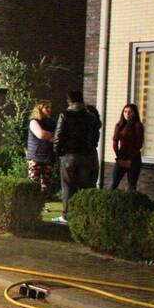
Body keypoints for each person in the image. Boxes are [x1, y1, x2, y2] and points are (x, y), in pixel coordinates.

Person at [52, 90, 99, 224]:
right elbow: (96, 136)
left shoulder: (65, 115)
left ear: (69, 101)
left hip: (69, 156)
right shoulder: (91, 117)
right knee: (86, 187)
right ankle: (85, 215)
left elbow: (58, 136)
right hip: (87, 156)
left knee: (68, 186)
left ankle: (66, 216)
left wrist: (58, 153)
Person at [111, 103, 145, 191]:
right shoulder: (119, 125)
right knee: (113, 184)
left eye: (130, 112)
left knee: (131, 186)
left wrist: (129, 160)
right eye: (125, 111)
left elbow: (139, 145)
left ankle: (131, 203)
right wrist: (119, 158)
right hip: (121, 157)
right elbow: (115, 143)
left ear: (135, 113)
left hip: (134, 158)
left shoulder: (138, 125)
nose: (127, 114)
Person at [26, 99, 55, 194]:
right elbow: (41, 134)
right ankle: (32, 204)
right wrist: (52, 135)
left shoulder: (51, 123)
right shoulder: (34, 122)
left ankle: (43, 204)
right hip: (36, 157)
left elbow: (56, 137)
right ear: (39, 108)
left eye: (50, 107)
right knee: (33, 182)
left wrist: (50, 136)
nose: (49, 109)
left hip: (48, 156)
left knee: (46, 184)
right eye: (46, 107)